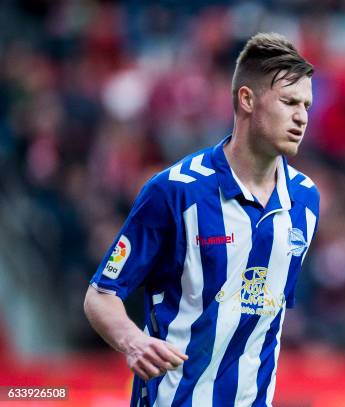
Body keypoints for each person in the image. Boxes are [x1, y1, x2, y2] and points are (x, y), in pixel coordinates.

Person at [84, 32, 319, 407]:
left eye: (306, 104)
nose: (301, 117)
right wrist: (134, 342)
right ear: (247, 100)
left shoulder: (305, 200)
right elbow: (101, 295)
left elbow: (265, 313)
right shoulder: (175, 192)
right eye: (289, 102)